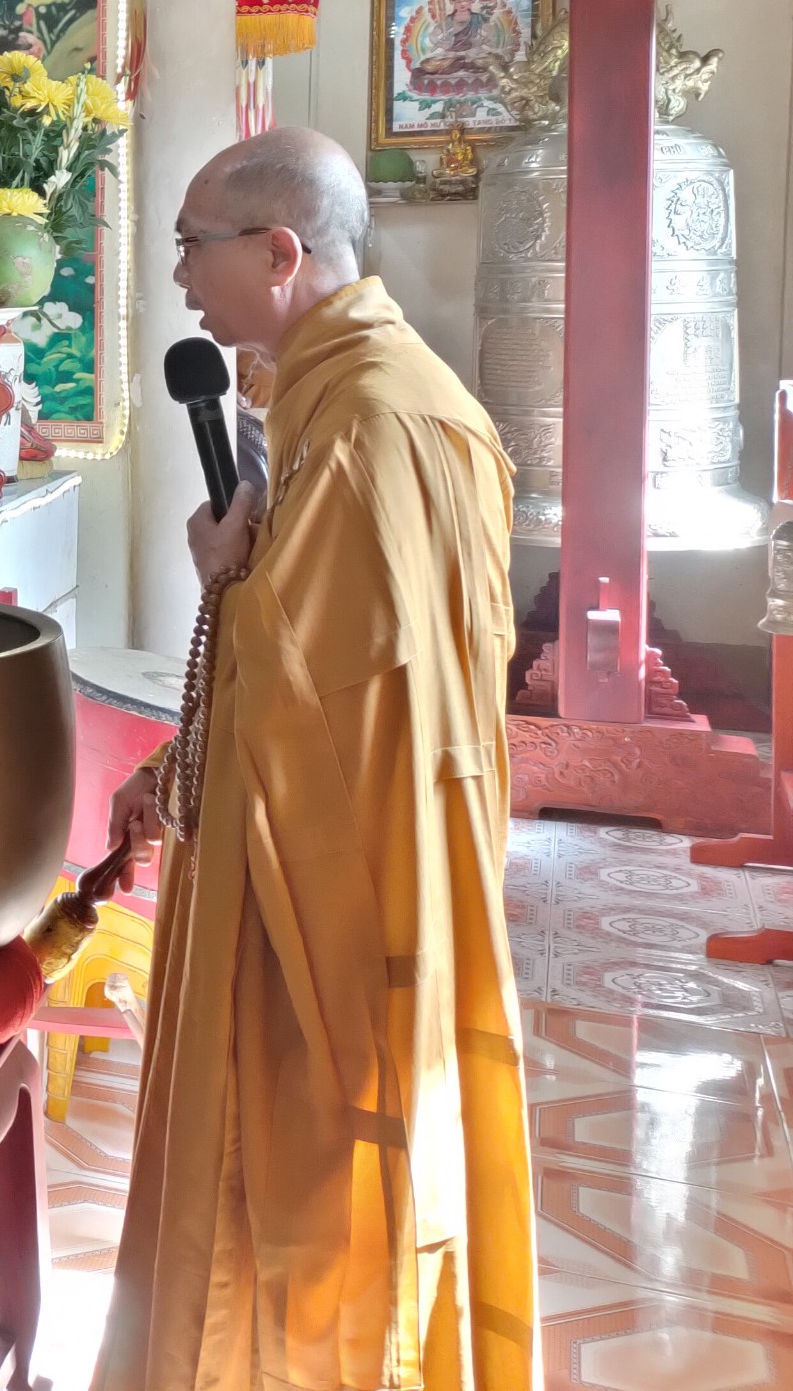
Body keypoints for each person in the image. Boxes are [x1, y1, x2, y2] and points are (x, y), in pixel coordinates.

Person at [98, 125, 532, 1391]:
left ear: (279, 252)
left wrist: (223, 578)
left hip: (327, 904)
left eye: (191, 246)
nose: (179, 278)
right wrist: (175, 764)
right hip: (384, 863)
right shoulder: (374, 396)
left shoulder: (361, 430)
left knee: (307, 1200)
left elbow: (307, 708)